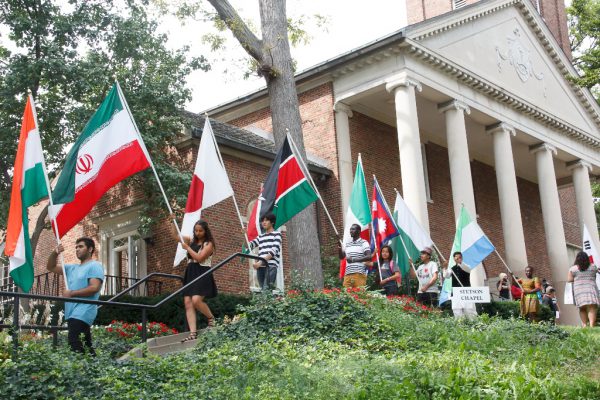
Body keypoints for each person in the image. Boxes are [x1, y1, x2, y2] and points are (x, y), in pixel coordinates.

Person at [46, 237, 104, 354]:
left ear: (90, 249)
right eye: (76, 247)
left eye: (81, 246)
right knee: (85, 343)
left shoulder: (95, 266)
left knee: (74, 341)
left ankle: (81, 368)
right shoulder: (72, 268)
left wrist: (71, 293)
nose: (77, 249)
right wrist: (55, 252)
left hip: (84, 310)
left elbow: (94, 287)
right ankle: (95, 368)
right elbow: (50, 267)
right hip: (72, 311)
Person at [178, 220, 218, 342]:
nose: (198, 233)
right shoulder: (191, 241)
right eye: (196, 230)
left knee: (196, 300)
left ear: (205, 231)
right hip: (190, 272)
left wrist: (187, 248)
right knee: (188, 302)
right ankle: (193, 333)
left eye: (200, 230)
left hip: (202, 272)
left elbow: (200, 258)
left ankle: (211, 318)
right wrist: (171, 221)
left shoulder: (209, 244)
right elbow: (176, 236)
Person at [249, 213, 282, 291]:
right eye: (263, 221)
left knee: (266, 291)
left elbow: (273, 251)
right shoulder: (261, 236)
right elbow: (249, 245)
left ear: (272, 222)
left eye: (266, 220)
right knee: (263, 290)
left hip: (270, 267)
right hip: (260, 268)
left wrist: (260, 262)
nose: (264, 222)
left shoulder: (277, 234)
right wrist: (243, 234)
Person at [567, 251, 600, 327]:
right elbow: (595, 275)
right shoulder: (593, 266)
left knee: (582, 308)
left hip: (579, 290)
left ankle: (584, 325)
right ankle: (591, 325)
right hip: (591, 289)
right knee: (592, 307)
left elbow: (569, 280)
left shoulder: (573, 269)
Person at [442, 251, 477, 318]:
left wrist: (460, 262)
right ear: (454, 259)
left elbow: (467, 269)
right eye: (456, 257)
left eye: (459, 257)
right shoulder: (452, 269)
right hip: (456, 292)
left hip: (466, 291)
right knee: (457, 310)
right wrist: (445, 268)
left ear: (462, 258)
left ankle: (473, 324)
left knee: (470, 310)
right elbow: (446, 276)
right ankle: (460, 325)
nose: (458, 259)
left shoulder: (466, 266)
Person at [338, 224, 371, 288]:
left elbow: (369, 256)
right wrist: (339, 248)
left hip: (359, 273)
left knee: (359, 295)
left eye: (353, 229)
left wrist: (354, 260)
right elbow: (341, 257)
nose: (351, 231)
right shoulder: (348, 243)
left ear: (359, 231)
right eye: (350, 229)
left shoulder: (364, 242)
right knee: (346, 296)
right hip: (347, 274)